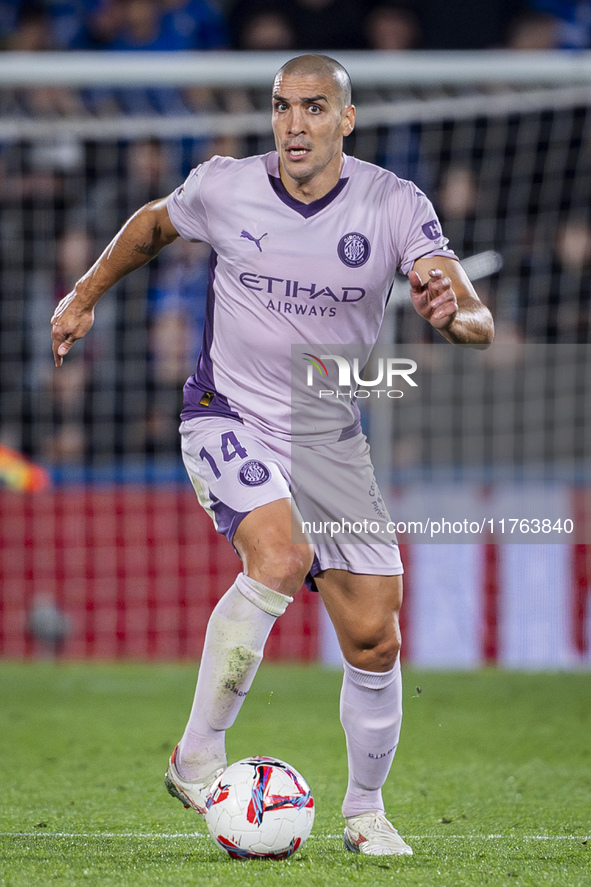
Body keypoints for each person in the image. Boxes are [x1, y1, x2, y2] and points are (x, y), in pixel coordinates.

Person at [50, 54, 494, 856]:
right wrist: (83, 294)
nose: (294, 124)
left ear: (345, 120)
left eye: (314, 108)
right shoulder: (225, 185)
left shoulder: (394, 204)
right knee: (281, 554)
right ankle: (196, 756)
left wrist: (446, 311)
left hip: (327, 433)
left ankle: (365, 812)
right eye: (282, 107)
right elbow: (152, 225)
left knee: (375, 638)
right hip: (227, 412)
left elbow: (474, 318)